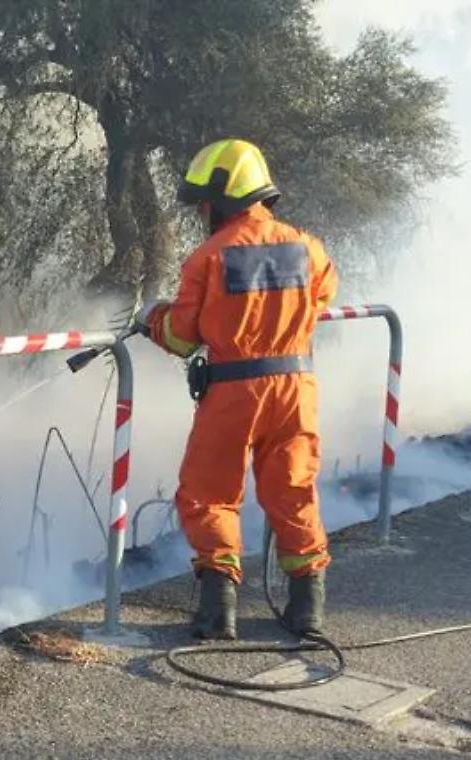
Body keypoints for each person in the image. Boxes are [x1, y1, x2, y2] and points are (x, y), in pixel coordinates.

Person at [134, 138, 338, 640]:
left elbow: (183, 337)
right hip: (295, 388)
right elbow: (325, 296)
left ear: (225, 196)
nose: (202, 210)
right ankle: (308, 608)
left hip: (233, 392)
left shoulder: (209, 256)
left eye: (205, 200)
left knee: (209, 494)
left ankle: (217, 610)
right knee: (293, 489)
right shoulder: (308, 247)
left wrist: (150, 319)